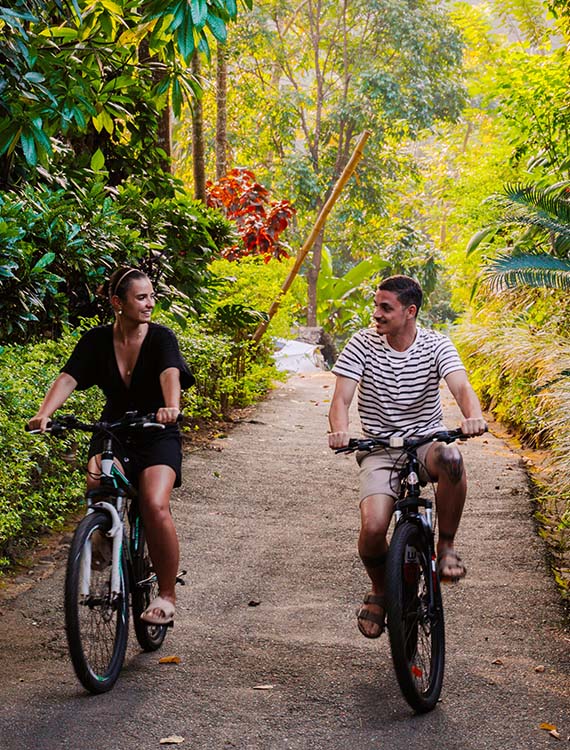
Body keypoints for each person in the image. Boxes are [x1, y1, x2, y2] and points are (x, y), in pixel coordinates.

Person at [28, 267, 194, 626]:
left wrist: (171, 407)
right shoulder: (96, 341)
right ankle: (103, 531)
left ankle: (166, 595)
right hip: (114, 430)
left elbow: (170, 373)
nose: (150, 303)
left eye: (151, 296)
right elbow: (69, 377)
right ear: (118, 303)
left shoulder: (162, 338)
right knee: (97, 485)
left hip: (156, 429)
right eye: (141, 297)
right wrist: (43, 414)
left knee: (153, 504)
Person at [328, 275, 486, 639]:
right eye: (376, 305)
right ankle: (381, 590)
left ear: (410, 311)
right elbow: (341, 399)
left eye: (386, 308)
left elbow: (461, 386)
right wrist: (338, 429)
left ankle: (445, 547)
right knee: (371, 530)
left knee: (452, 460)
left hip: (425, 441)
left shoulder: (436, 345)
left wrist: (472, 416)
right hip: (378, 448)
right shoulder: (361, 344)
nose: (377, 314)